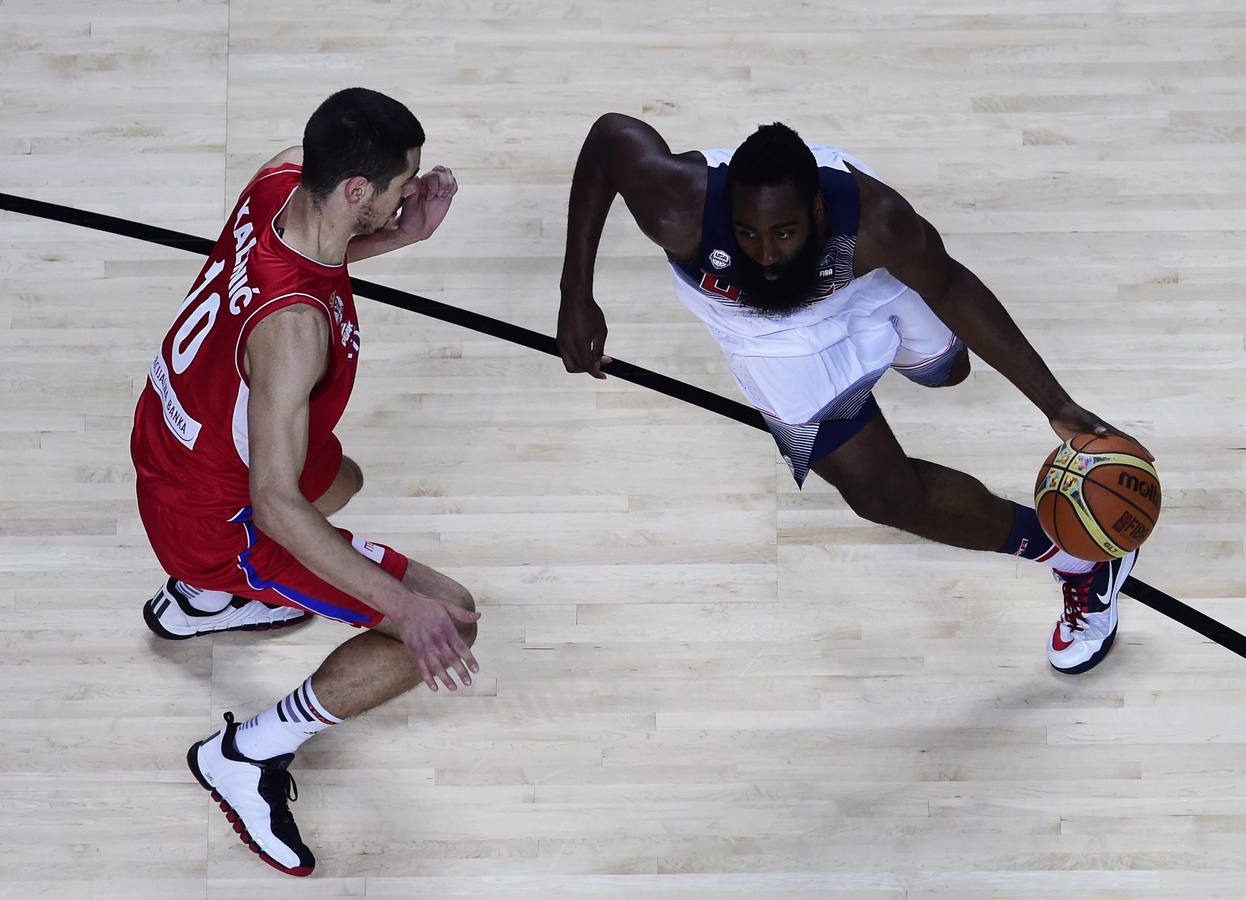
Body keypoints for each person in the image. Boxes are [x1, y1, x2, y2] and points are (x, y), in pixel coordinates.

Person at [557, 115, 1148, 677]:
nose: (764, 255)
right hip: (764, 336)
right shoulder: (676, 205)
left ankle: (885, 345)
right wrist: (575, 294)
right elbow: (610, 138)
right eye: (747, 232)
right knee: (880, 495)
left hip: (863, 281)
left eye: (784, 232)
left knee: (948, 372)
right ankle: (1078, 560)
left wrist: (1055, 404)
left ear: (815, 207)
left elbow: (949, 283)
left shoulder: (876, 220)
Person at [131, 87, 480, 877]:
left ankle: (198, 605)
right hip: (217, 519)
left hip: (172, 446)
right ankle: (244, 754)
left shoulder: (276, 180)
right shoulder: (294, 330)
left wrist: (398, 235)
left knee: (341, 475)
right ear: (357, 190)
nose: (408, 194)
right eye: (400, 186)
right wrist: (407, 610)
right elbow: (276, 504)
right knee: (450, 620)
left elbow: (305, 255)